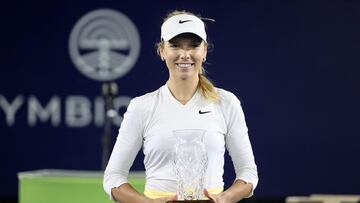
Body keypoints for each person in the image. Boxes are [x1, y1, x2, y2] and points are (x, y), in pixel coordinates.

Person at [103, 10, 258, 203]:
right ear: (162, 51)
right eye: (175, 45)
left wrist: (224, 199)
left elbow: (248, 173)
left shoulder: (226, 102)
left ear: (205, 50)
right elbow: (113, 177)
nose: (185, 54)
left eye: (194, 45)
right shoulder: (141, 107)